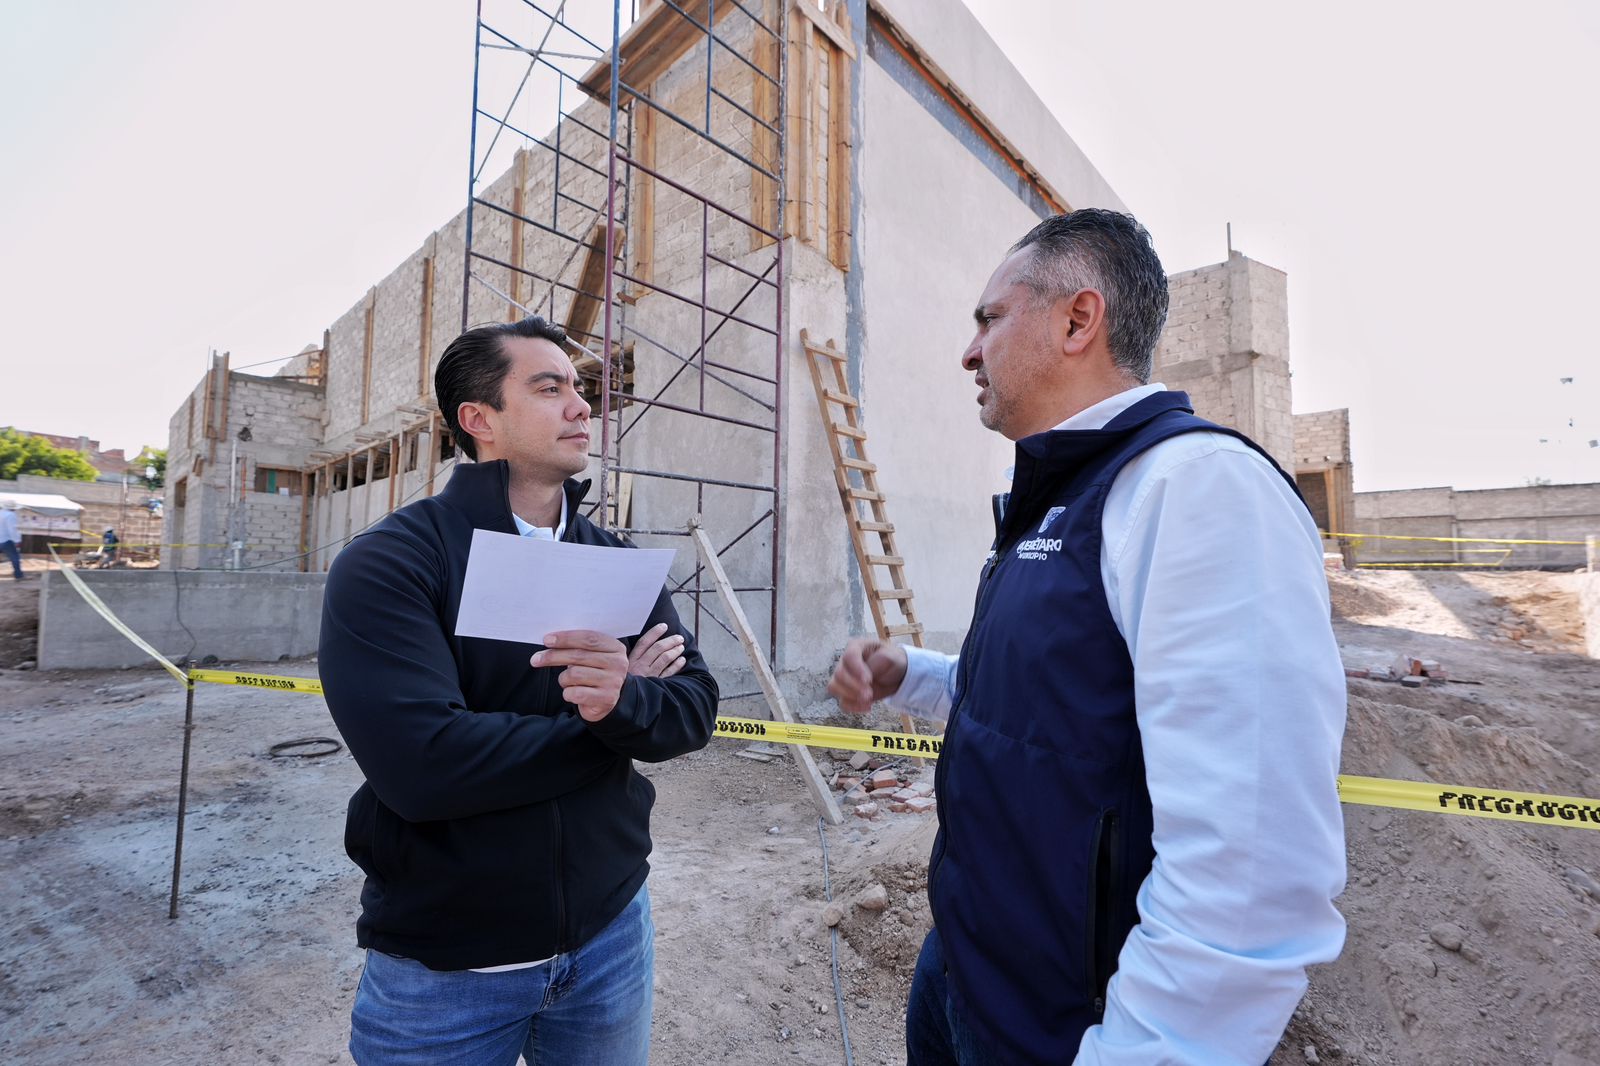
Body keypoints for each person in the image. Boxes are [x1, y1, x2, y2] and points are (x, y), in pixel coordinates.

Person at [828, 210, 1347, 1065]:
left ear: (1078, 320)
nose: (969, 351)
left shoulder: (1197, 490)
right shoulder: (1065, 496)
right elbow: (1054, 703)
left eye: (988, 318)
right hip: (964, 974)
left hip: (1065, 1028)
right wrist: (909, 673)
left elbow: (1251, 875)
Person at [320, 315, 717, 1066]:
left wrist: (629, 702)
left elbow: (692, 709)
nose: (582, 407)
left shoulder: (612, 560)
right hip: (444, 976)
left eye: (579, 389)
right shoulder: (391, 564)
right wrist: (613, 719)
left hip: (610, 940)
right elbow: (424, 768)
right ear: (480, 422)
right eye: (548, 388)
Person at [0, 500, 24, 580]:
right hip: (6, 539)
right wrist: (17, 540)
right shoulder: (11, 515)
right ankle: (18, 575)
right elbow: (12, 529)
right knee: (14, 557)